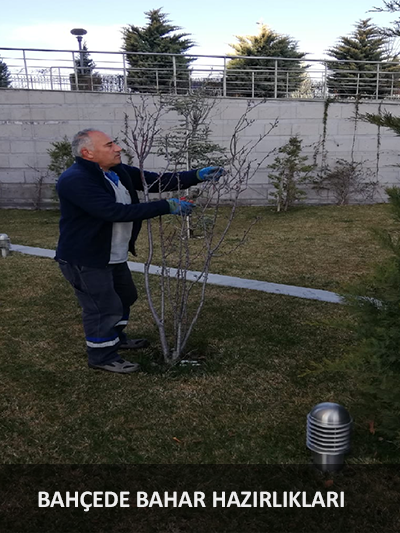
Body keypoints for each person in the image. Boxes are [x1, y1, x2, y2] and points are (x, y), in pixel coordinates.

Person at [55, 129, 224, 374]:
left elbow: (156, 181)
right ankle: (101, 355)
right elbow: (112, 211)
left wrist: (196, 175)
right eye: (109, 145)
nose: (117, 148)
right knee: (103, 307)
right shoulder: (75, 179)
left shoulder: (116, 171)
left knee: (125, 296)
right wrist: (166, 206)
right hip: (86, 257)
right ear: (87, 153)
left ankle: (115, 338)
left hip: (112, 253)